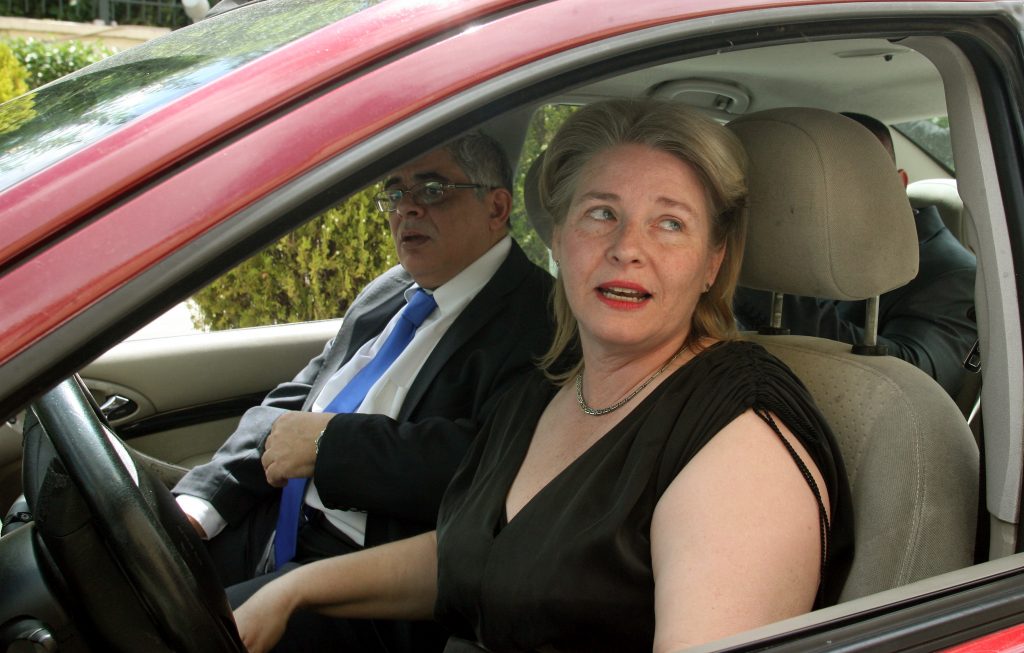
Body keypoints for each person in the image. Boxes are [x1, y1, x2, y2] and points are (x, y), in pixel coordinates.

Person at [233, 98, 854, 653]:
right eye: (601, 213)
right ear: (558, 238)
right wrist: (293, 590)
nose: (627, 247)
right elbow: (471, 552)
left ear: (713, 261)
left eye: (670, 223)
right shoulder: (546, 390)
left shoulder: (741, 434)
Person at [172, 132, 555, 652]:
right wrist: (202, 501)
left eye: (432, 189)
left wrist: (329, 446)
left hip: (363, 582)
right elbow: (296, 398)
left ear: (496, 207)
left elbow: (492, 466)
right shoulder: (389, 289)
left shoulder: (541, 321)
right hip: (270, 519)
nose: (407, 208)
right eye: (395, 193)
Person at [734, 112, 977, 398]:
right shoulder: (805, 249)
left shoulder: (956, 276)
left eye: (848, 182)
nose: (825, 196)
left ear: (898, 183)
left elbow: (909, 382)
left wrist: (746, 271)